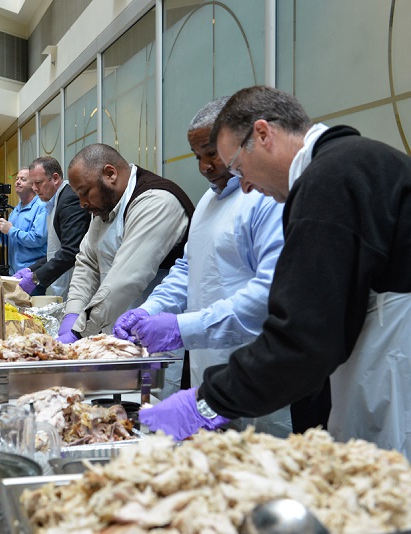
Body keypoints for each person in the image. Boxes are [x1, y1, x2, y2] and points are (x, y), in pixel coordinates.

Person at [139, 86, 411, 460]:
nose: (245, 184)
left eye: (237, 166)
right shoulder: (348, 163)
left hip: (391, 380)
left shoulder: (328, 180)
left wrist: (208, 401)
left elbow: (304, 333)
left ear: (263, 135)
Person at [113, 98, 291, 437]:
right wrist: (151, 309)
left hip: (258, 363)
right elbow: (187, 268)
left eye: (212, 153)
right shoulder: (209, 200)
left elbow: (269, 295)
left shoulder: (266, 198)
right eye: (198, 157)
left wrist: (182, 327)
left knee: (263, 464)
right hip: (208, 359)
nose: (205, 166)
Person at [56, 144, 194, 343]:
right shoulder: (105, 206)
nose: (82, 203)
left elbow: (127, 279)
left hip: (161, 333)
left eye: (85, 192)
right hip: (119, 329)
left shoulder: (156, 201)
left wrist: (79, 332)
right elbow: (87, 262)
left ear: (110, 174)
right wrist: (73, 313)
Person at [13, 156, 91, 298]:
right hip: (63, 279)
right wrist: (30, 270)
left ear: (55, 178)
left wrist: (36, 277)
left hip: (78, 281)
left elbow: (70, 251)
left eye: (38, 183)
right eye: (33, 184)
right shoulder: (53, 200)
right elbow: (54, 251)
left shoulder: (69, 199)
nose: (34, 189)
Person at [0, 168, 47, 274]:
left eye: (23, 179)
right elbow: (10, 241)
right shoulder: (16, 210)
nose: (17, 182)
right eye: (17, 179)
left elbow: (37, 239)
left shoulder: (41, 207)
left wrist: (10, 230)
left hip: (32, 272)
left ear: (33, 185)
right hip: (14, 272)